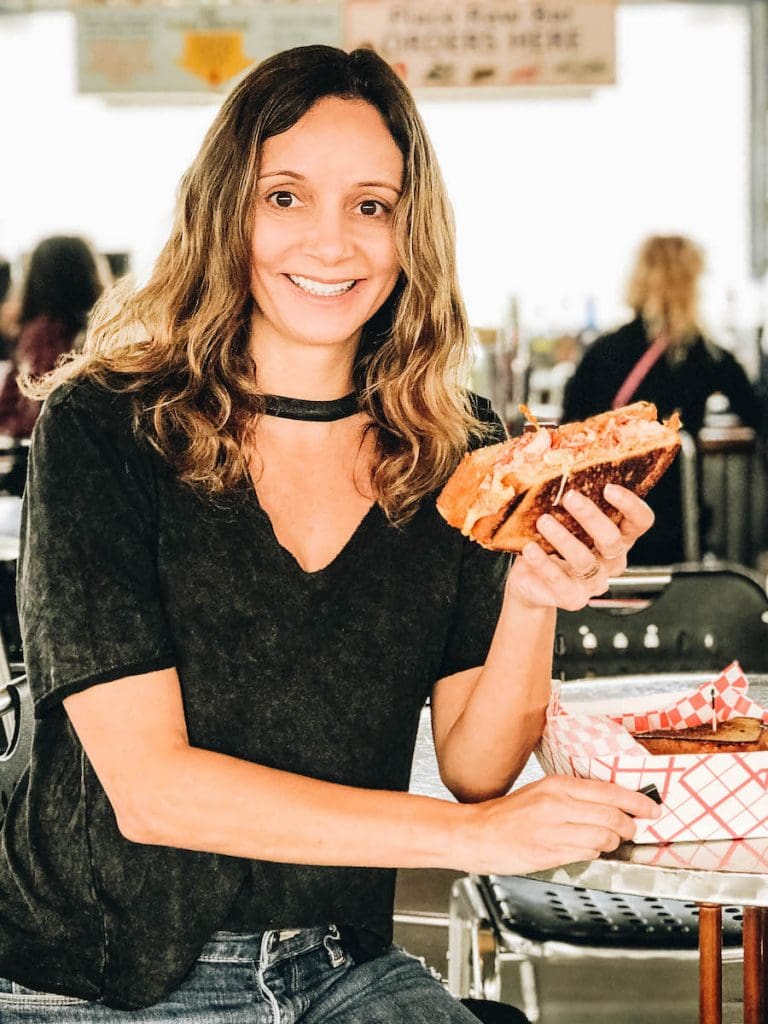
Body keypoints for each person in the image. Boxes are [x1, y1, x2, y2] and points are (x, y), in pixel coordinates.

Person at [0, 45, 660, 1023]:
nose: (332, 242)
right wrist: (467, 840)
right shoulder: (106, 427)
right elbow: (152, 792)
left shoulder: (459, 449)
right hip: (95, 975)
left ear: (409, 232)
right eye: (285, 197)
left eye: (371, 205)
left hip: (340, 962)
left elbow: (480, 768)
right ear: (227, 210)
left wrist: (531, 595)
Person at [561, 234, 764, 565]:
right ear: (691, 284)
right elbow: (755, 411)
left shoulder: (603, 350)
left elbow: (569, 426)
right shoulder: (704, 354)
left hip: (602, 517)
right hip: (675, 520)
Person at [0, 235, 111, 443]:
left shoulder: (39, 334)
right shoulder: (107, 334)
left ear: (35, 278)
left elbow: (37, 417)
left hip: (38, 458)